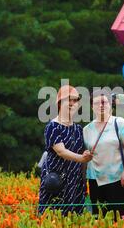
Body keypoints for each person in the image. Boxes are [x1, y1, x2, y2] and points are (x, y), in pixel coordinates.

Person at [38, 85, 93, 216]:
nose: (72, 103)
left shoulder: (79, 129)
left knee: (75, 223)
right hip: (56, 181)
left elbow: (83, 157)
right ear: (59, 103)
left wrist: (84, 179)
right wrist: (81, 158)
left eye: (75, 100)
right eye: (68, 100)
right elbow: (61, 151)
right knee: (52, 219)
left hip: (75, 184)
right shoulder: (52, 127)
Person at [83, 91, 124, 219]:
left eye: (104, 102)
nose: (101, 105)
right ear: (92, 106)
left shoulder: (119, 123)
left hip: (116, 178)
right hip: (94, 180)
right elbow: (85, 155)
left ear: (110, 105)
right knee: (98, 218)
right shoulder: (86, 130)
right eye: (96, 103)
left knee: (118, 218)